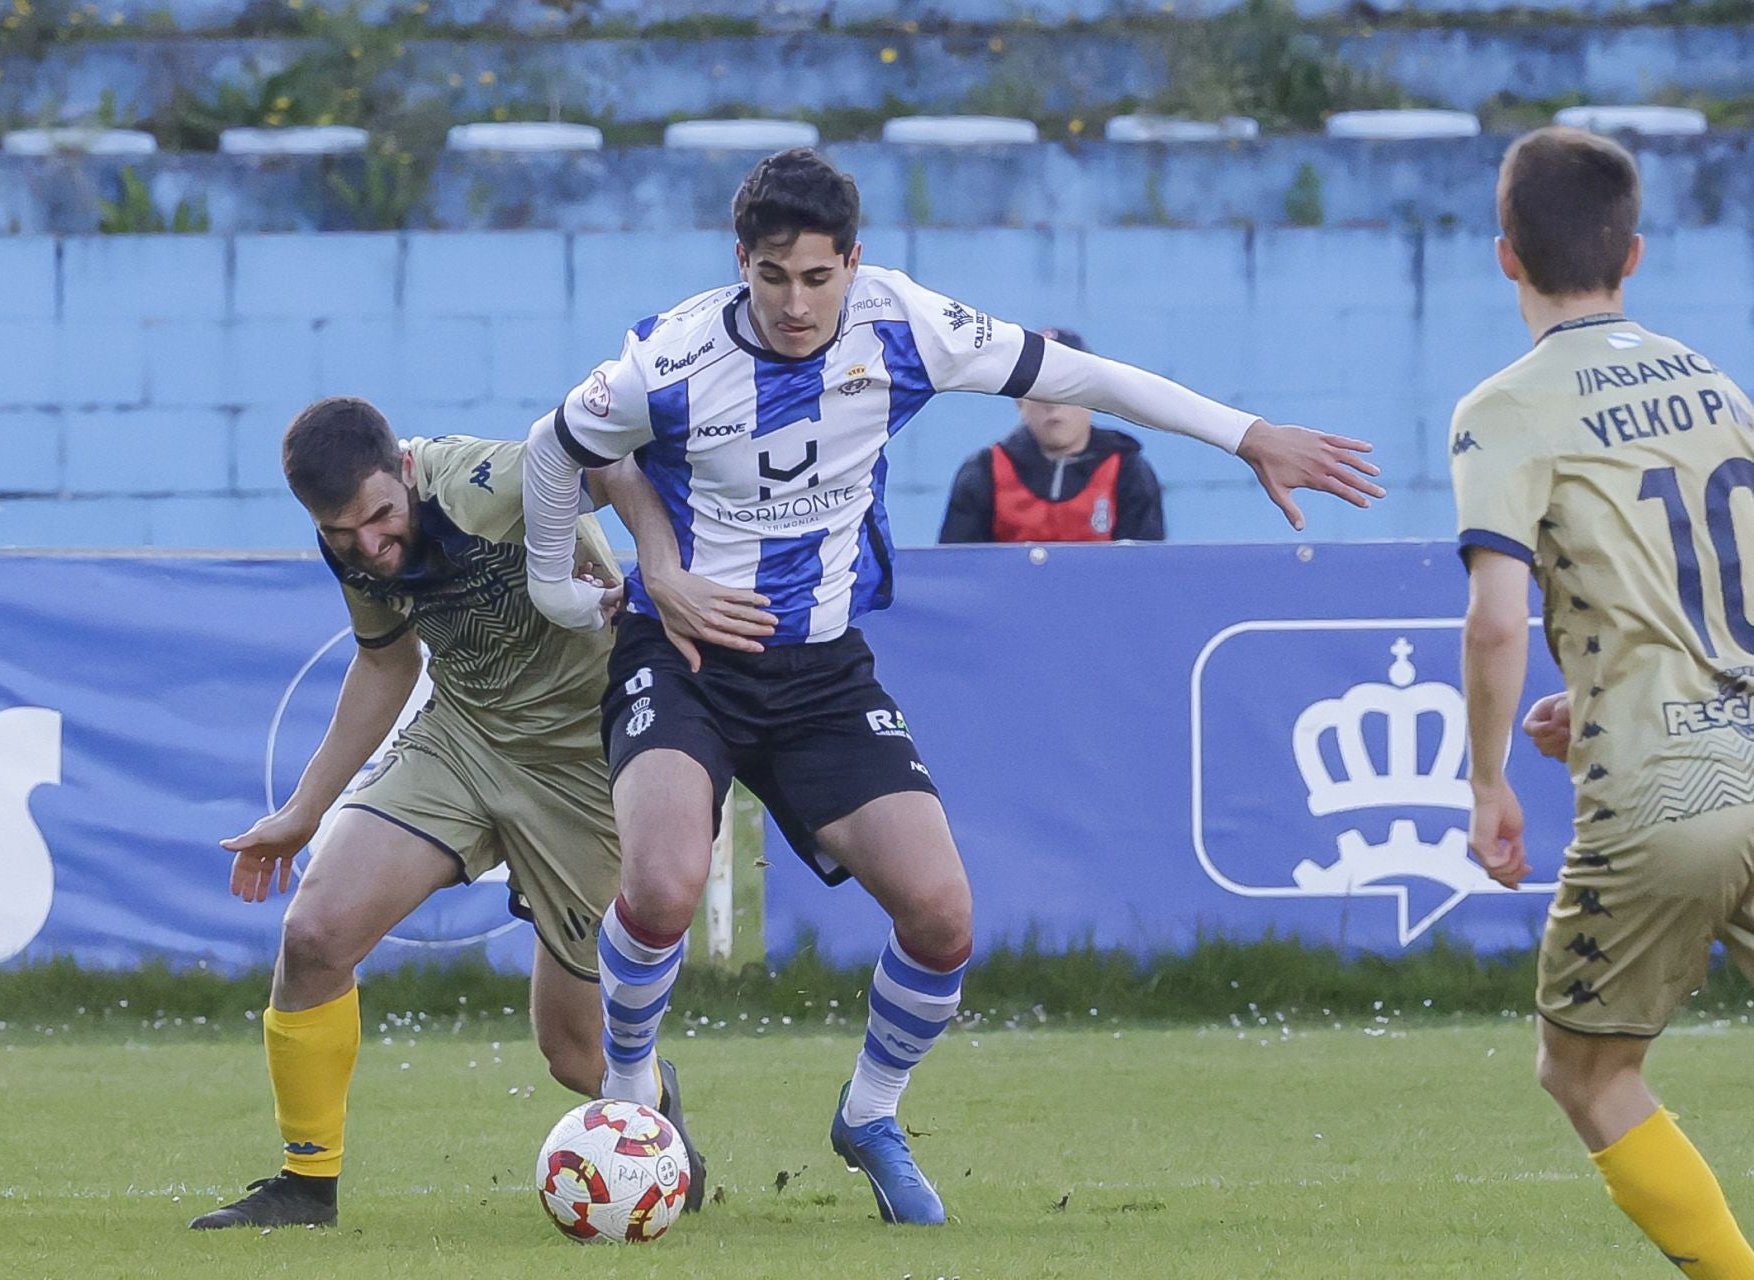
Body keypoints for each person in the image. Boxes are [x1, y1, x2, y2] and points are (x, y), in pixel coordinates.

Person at [516, 147, 1385, 1227]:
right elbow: (558, 450)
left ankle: (871, 1113)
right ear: (739, 262)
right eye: (773, 276)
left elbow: (1082, 377)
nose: (796, 303)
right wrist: (571, 592)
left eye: (818, 277)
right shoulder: (674, 356)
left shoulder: (905, 326)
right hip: (684, 656)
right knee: (662, 885)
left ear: (855, 263)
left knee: (941, 914)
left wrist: (1247, 433)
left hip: (822, 666)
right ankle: (633, 1095)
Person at [188, 397, 743, 1229]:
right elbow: (385, 664)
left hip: (588, 765)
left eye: (380, 518)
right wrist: (305, 811)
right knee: (314, 934)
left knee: (573, 1055)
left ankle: (653, 1103)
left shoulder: (487, 483)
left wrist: (656, 567)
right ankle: (306, 1189)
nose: (370, 547)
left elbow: (607, 458)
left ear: (404, 470)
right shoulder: (348, 535)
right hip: (465, 735)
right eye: (345, 536)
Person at [1453, 127, 1754, 1277]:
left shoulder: (1506, 408)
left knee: (1588, 1071)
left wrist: (1487, 781)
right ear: (1634, 255)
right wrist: (1595, 697)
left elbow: (1494, 616)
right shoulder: (1714, 385)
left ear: (1503, 257)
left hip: (1668, 788)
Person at [938, 327, 1166, 544]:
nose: (1053, 402)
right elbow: (958, 574)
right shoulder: (984, 472)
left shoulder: (1127, 471)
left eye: (1068, 386)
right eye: (1039, 387)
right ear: (1019, 400)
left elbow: (1145, 575)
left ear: (1094, 398)